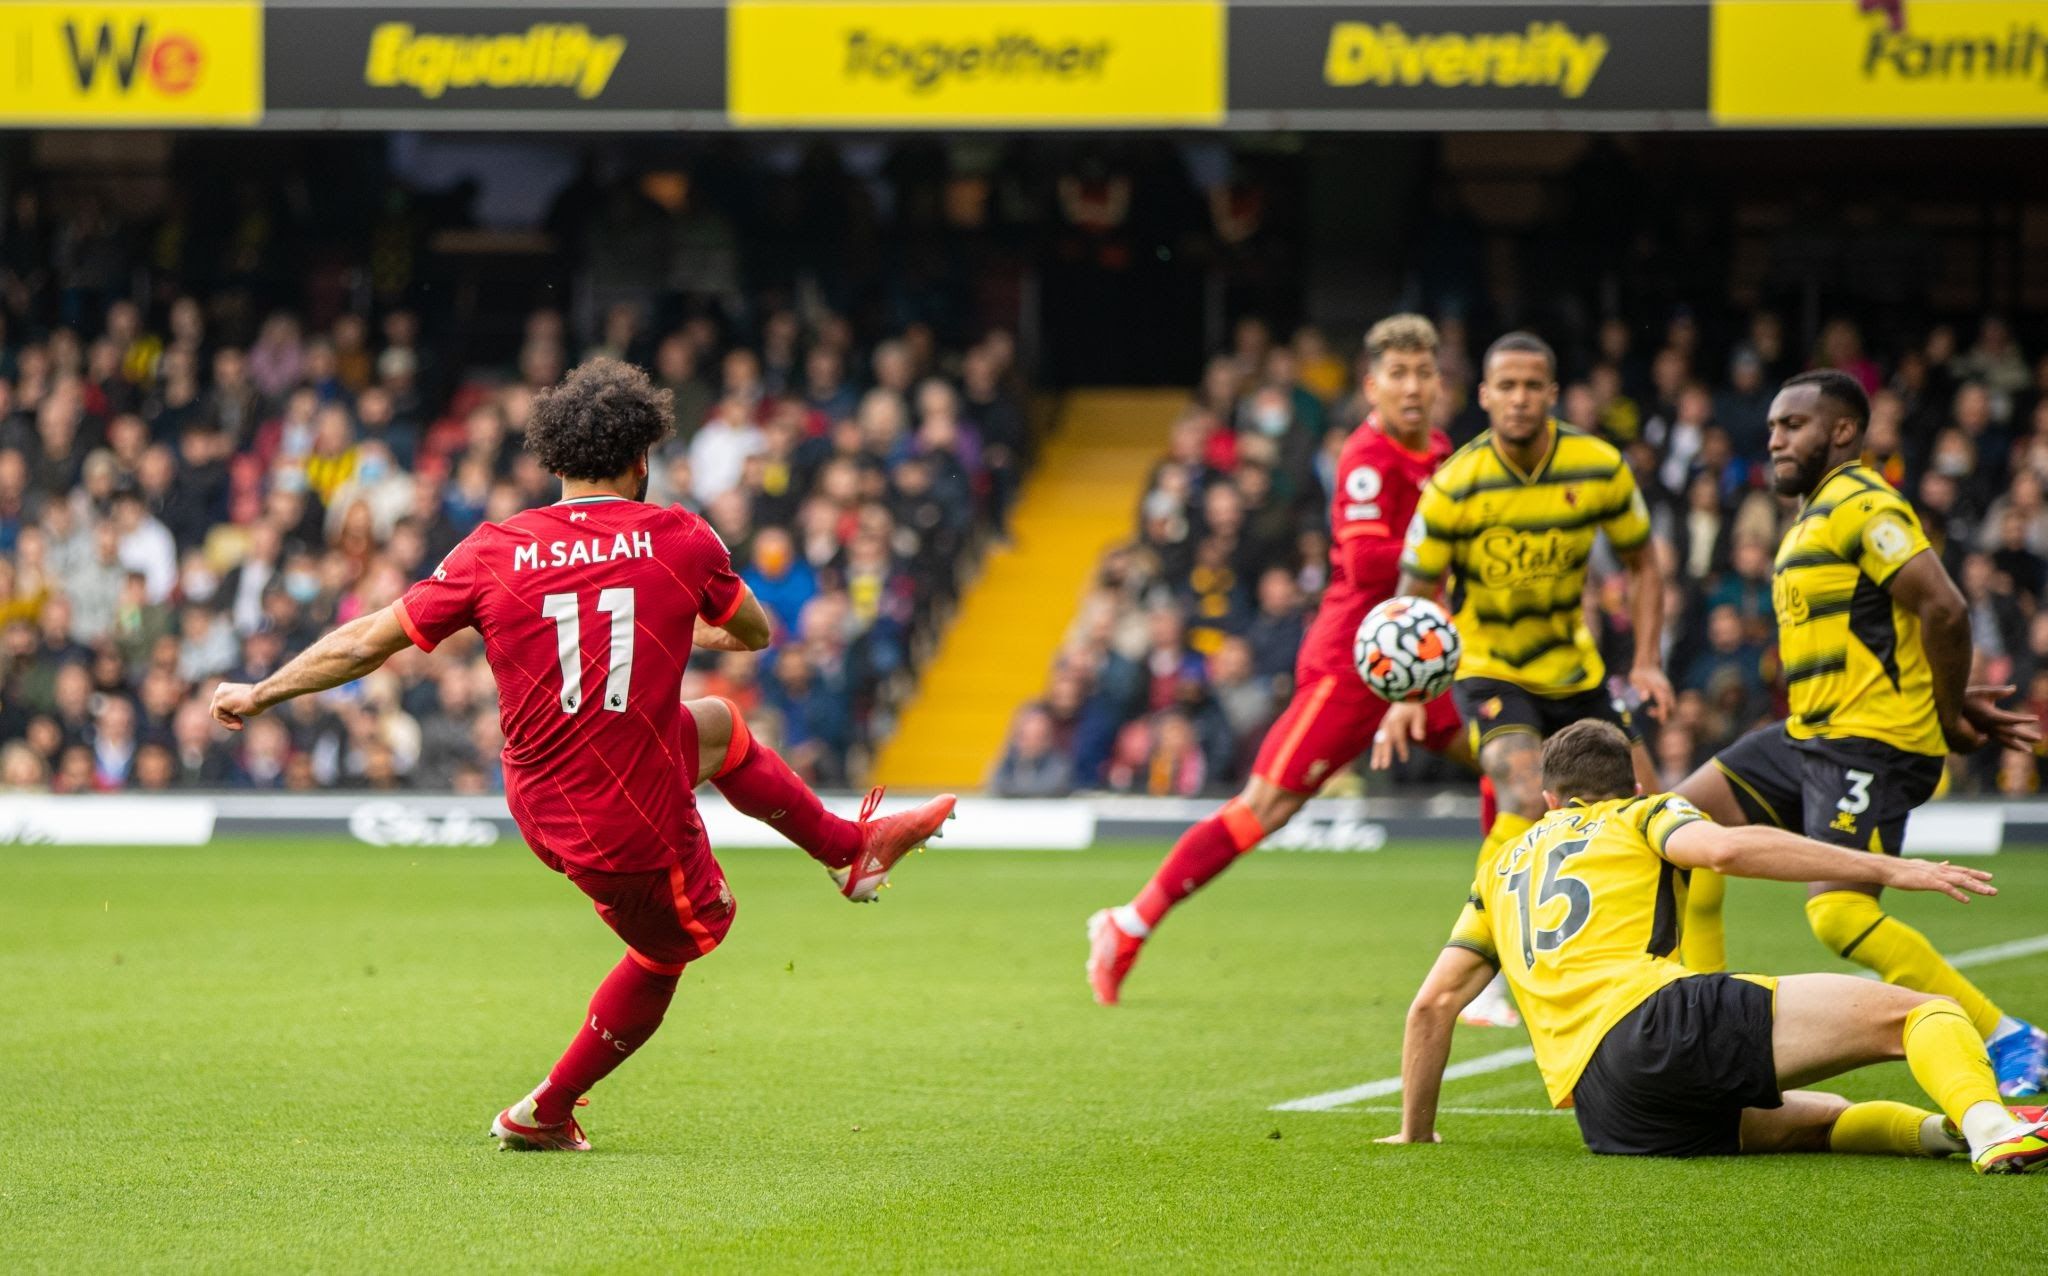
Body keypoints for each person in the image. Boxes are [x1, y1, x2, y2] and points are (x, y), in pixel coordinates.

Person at [210, 358, 956, 1152]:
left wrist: (260, 692)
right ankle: (543, 1112)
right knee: (684, 937)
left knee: (718, 727)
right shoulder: (681, 538)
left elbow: (365, 643)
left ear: (554, 458)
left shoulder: (495, 547)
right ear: (643, 459)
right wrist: (692, 624)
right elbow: (758, 633)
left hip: (541, 797)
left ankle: (851, 851)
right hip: (622, 819)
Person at [1381, 720, 2048, 1173]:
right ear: (1634, 784)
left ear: (1551, 799)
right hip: (1656, 1023)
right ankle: (1993, 1128)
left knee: (1815, 1121)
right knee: (1925, 1015)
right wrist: (1887, 867)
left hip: (1607, 1108)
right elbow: (1724, 848)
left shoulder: (1497, 871)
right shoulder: (1641, 812)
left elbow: (1432, 1004)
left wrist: (1417, 1130)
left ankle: (1947, 1131)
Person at [1671, 369, 2048, 1098]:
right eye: (1774, 426)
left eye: (1793, 425)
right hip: (1807, 733)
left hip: (1871, 742)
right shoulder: (1809, 517)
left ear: (1842, 431)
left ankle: (2010, 1038)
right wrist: (1948, 693)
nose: (1775, 438)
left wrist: (1942, 718)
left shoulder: (1864, 504)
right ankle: (1703, 1025)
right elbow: (1891, 630)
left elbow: (1943, 607)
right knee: (1677, 829)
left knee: (1838, 913)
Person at [1085, 314, 1469, 1005]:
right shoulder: (1366, 458)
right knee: (1264, 807)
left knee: (1512, 763)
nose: (1412, 387)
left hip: (1424, 657)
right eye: (1398, 374)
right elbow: (1362, 556)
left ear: (1440, 380)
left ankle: (1503, 960)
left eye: (1424, 372)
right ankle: (1129, 921)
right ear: (1371, 384)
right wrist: (1451, 537)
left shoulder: (1440, 447)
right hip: (1355, 665)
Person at [1382, 330, 1676, 1029]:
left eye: (1531, 386)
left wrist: (1645, 659)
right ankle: (1485, 974)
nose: (1518, 398)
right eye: (1505, 386)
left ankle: (1670, 972)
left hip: (1576, 673)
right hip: (1490, 668)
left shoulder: (1598, 466)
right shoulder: (1455, 482)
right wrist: (1407, 695)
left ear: (1552, 393)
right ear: (1482, 395)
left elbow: (1645, 564)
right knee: (1520, 791)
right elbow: (1415, 590)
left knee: (1656, 808)